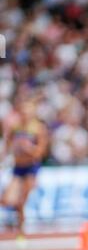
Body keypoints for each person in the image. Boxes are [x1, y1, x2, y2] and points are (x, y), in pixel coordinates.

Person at [0, 99, 48, 237]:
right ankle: (18, 225)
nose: (25, 114)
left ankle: (20, 231)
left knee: (21, 200)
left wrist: (28, 149)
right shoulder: (15, 127)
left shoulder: (38, 128)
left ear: (32, 113)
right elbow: (8, 143)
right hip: (17, 167)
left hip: (31, 168)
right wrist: (6, 156)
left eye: (28, 111)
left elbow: (41, 152)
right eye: (23, 111)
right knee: (7, 200)